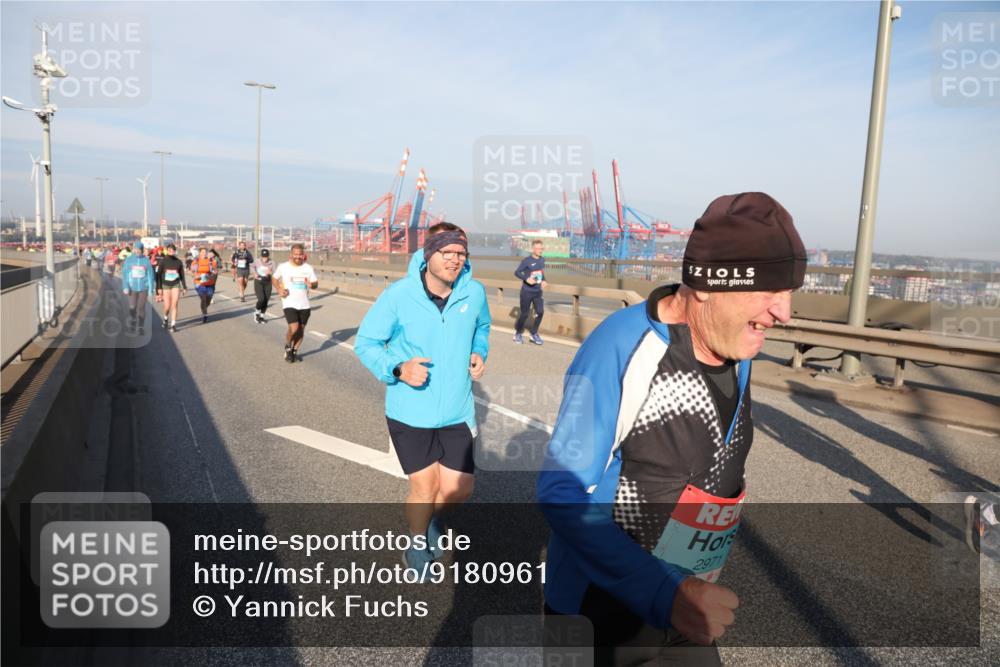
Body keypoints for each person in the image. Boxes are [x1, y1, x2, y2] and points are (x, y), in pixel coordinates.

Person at [537, 192, 807, 665]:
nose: (784, 313)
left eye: (789, 293)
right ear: (707, 283)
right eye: (770, 291)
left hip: (683, 605)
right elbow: (562, 491)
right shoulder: (622, 347)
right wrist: (665, 591)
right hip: (599, 618)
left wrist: (682, 588)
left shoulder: (737, 350)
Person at [355, 222, 491, 576]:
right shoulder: (399, 295)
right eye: (447, 252)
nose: (455, 260)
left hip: (457, 410)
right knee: (425, 486)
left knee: (459, 489)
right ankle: (416, 546)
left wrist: (478, 351)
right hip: (410, 410)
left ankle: (430, 521)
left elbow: (483, 327)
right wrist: (398, 368)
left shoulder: (473, 293)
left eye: (461, 253)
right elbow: (366, 343)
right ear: (429, 254)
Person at [272, 244, 319, 362]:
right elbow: (274, 278)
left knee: (301, 330)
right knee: (294, 328)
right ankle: (288, 346)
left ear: (303, 255)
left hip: (304, 304)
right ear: (291, 255)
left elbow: (315, 283)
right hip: (289, 302)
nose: (298, 257)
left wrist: (312, 285)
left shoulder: (308, 268)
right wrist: (279, 289)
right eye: (295, 254)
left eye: (300, 254)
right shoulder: (283, 267)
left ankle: (294, 351)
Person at [513, 238, 547, 345]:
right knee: (524, 314)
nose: (540, 250)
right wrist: (527, 278)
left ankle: (533, 334)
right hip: (527, 291)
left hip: (537, 292)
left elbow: (541, 272)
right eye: (537, 249)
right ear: (533, 249)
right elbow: (517, 272)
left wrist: (544, 280)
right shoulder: (526, 261)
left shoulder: (542, 260)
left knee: (540, 312)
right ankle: (518, 333)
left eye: (541, 249)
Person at [121, 241, 155, 334]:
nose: (137, 251)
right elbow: (125, 274)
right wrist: (125, 286)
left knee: (141, 308)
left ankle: (140, 327)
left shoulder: (146, 261)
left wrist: (151, 289)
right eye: (135, 249)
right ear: (133, 249)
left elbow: (150, 275)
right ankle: (133, 321)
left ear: (142, 250)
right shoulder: (129, 260)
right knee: (132, 307)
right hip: (132, 288)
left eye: (139, 249)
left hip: (144, 288)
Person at [156, 243, 187, 332]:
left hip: (175, 284)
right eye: (169, 250)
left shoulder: (178, 262)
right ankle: (165, 318)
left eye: (173, 250)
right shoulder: (163, 261)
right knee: (167, 306)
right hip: (165, 285)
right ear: (167, 251)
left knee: (175, 303)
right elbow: (158, 275)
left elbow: (182, 275)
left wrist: (184, 287)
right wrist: (158, 288)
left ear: (175, 251)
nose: (171, 252)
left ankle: (173, 324)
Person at [191, 247, 219, 323]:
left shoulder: (211, 261)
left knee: (208, 300)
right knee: (203, 298)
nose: (204, 253)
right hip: (199, 283)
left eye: (205, 252)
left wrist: (213, 273)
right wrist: (195, 275)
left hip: (210, 283)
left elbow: (216, 270)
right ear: (200, 253)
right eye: (202, 252)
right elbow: (192, 271)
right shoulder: (196, 261)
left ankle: (204, 308)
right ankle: (204, 314)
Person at [250, 248, 275, 324]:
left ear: (268, 256)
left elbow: (275, 272)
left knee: (266, 300)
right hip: (259, 281)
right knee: (261, 299)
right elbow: (252, 266)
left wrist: (270, 272)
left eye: (266, 257)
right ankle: (256, 312)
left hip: (268, 282)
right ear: (261, 256)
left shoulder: (272, 262)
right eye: (263, 257)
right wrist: (254, 273)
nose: (265, 259)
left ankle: (261, 316)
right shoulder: (257, 261)